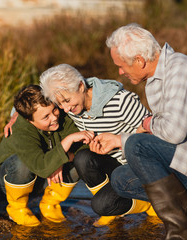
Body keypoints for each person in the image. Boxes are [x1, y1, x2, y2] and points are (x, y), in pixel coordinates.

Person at [90, 23, 187, 239]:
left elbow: (173, 132)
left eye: (121, 66)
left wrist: (146, 124)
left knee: (136, 146)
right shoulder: (155, 79)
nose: (120, 72)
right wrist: (119, 140)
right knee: (121, 179)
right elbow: (170, 134)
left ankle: (181, 234)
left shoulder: (182, 69)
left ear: (139, 60)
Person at [39, 63, 157, 227]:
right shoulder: (72, 106)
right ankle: (114, 211)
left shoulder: (121, 102)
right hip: (114, 166)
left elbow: (154, 134)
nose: (65, 109)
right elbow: (34, 103)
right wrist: (15, 114)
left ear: (81, 86)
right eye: (61, 104)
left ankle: (150, 202)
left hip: (140, 168)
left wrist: (118, 139)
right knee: (83, 158)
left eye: (67, 101)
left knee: (101, 206)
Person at [0, 84, 94, 227]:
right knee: (22, 164)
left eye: (54, 109)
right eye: (46, 117)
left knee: (80, 159)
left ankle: (50, 204)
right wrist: (67, 142)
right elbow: (42, 166)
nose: (54, 118)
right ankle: (17, 208)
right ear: (30, 121)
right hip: (14, 178)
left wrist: (60, 161)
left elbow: (83, 147)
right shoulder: (21, 129)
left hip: (46, 179)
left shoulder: (62, 116)